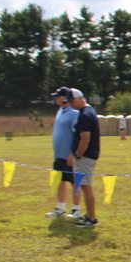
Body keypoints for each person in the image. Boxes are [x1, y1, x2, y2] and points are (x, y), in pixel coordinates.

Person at [45, 87, 82, 218]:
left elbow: (77, 135)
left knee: (74, 182)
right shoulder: (60, 111)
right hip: (58, 155)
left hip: (69, 156)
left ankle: (76, 210)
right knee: (60, 181)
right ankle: (60, 208)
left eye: (58, 96)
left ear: (66, 97)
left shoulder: (74, 112)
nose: (55, 98)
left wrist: (72, 154)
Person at [69, 89, 101, 228]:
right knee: (84, 185)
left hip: (85, 156)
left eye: (72, 101)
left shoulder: (85, 115)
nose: (70, 104)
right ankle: (89, 214)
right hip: (87, 155)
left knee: (86, 186)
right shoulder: (87, 112)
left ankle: (92, 218)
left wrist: (78, 154)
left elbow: (85, 139)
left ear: (80, 98)